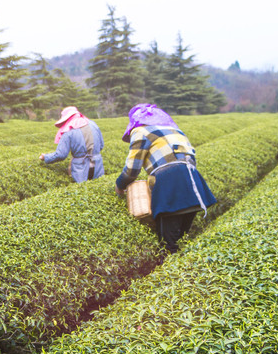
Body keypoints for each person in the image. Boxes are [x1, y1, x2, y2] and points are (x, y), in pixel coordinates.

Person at [114, 103, 216, 253]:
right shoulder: (175, 130)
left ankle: (171, 265)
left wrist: (120, 185)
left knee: (168, 244)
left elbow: (132, 169)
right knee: (182, 239)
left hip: (170, 184)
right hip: (192, 183)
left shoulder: (140, 131)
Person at [38, 106, 104, 182]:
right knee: (97, 185)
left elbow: (61, 155)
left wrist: (46, 157)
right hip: (97, 164)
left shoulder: (68, 130)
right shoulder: (93, 124)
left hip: (81, 168)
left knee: (82, 188)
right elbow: (101, 145)